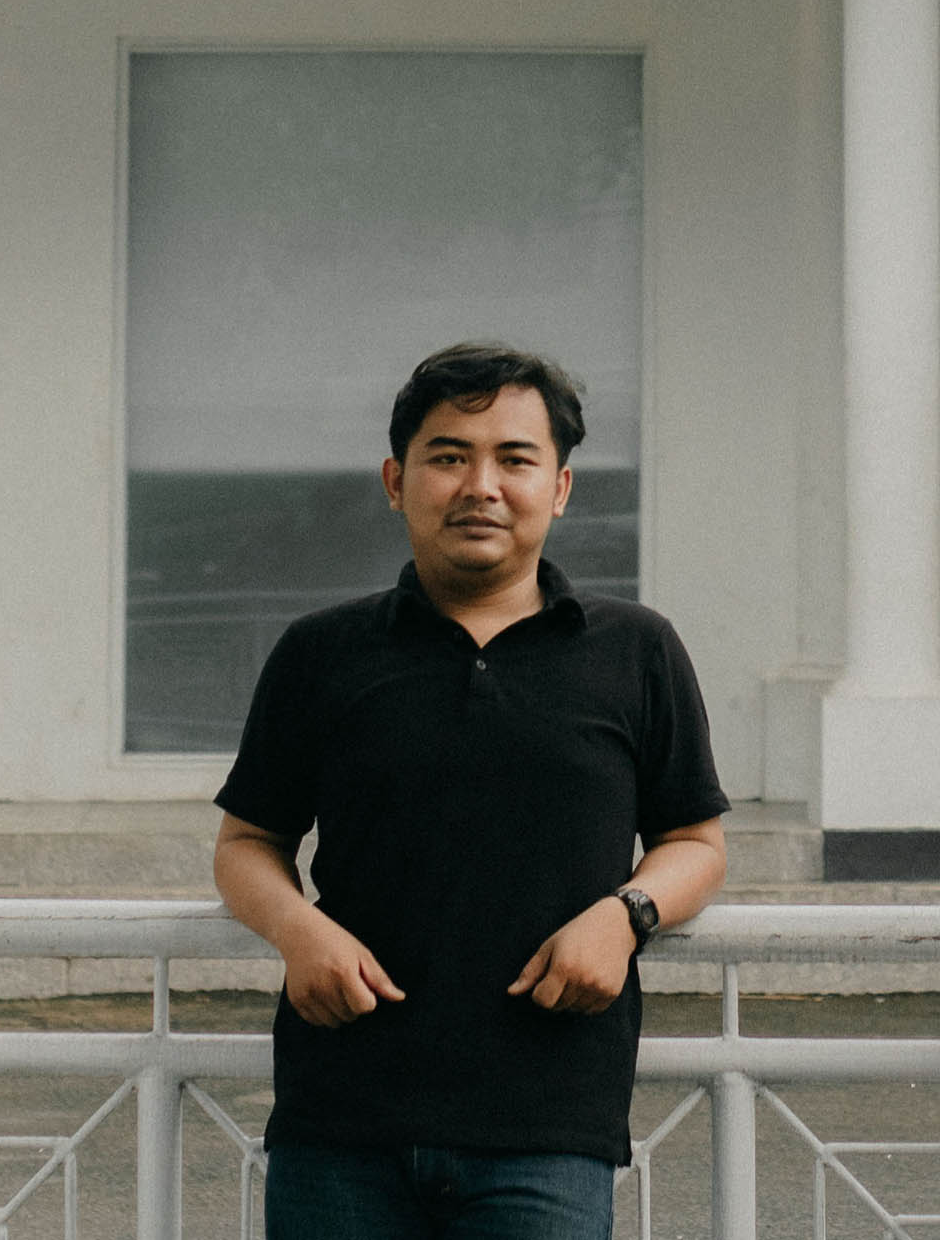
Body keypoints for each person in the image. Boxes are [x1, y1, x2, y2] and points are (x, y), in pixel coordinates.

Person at [213, 343, 729, 1240]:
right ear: (395, 481)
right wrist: (297, 930)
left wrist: (625, 916)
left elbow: (695, 842)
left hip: (547, 1125)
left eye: (514, 459)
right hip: (342, 1119)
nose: (479, 486)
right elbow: (246, 843)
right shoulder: (322, 652)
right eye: (448, 456)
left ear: (558, 488)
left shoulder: (634, 650)